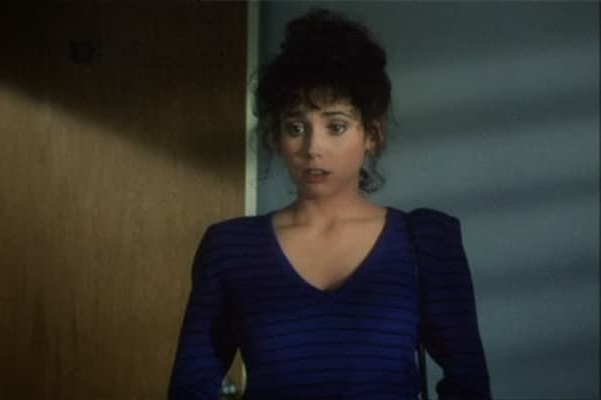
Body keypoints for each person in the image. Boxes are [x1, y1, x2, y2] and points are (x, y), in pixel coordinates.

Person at [169, 8, 491, 400]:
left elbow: (469, 384)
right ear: (277, 136)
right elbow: (190, 387)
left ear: (372, 134)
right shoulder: (230, 248)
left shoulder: (424, 241)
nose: (312, 148)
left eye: (336, 126)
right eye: (296, 127)